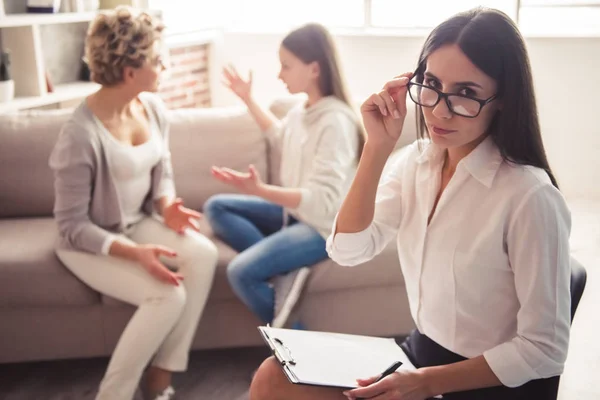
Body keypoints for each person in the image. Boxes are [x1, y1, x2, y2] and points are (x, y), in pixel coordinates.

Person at [249, 7, 571, 400]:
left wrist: (427, 382)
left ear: (503, 99)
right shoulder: (415, 164)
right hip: (417, 356)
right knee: (274, 375)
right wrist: (376, 149)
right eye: (431, 84)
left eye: (466, 93)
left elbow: (545, 349)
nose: (438, 109)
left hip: (482, 382)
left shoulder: (529, 197)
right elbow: (346, 249)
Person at [49, 7, 218, 400]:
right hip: (90, 241)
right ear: (130, 72)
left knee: (203, 253)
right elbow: (71, 225)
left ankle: (163, 372)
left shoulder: (153, 109)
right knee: (167, 295)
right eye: (159, 60)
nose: (166, 67)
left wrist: (167, 203)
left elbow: (164, 173)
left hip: (137, 223)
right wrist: (134, 252)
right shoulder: (79, 134)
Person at [204, 23, 364, 328]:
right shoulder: (303, 111)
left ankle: (301, 348)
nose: (280, 75)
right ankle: (283, 275)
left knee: (241, 271)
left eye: (286, 66)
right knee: (217, 207)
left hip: (323, 227)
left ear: (314, 69)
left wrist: (260, 190)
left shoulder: (335, 122)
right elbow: (279, 136)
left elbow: (322, 201)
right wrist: (247, 98)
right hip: (295, 214)